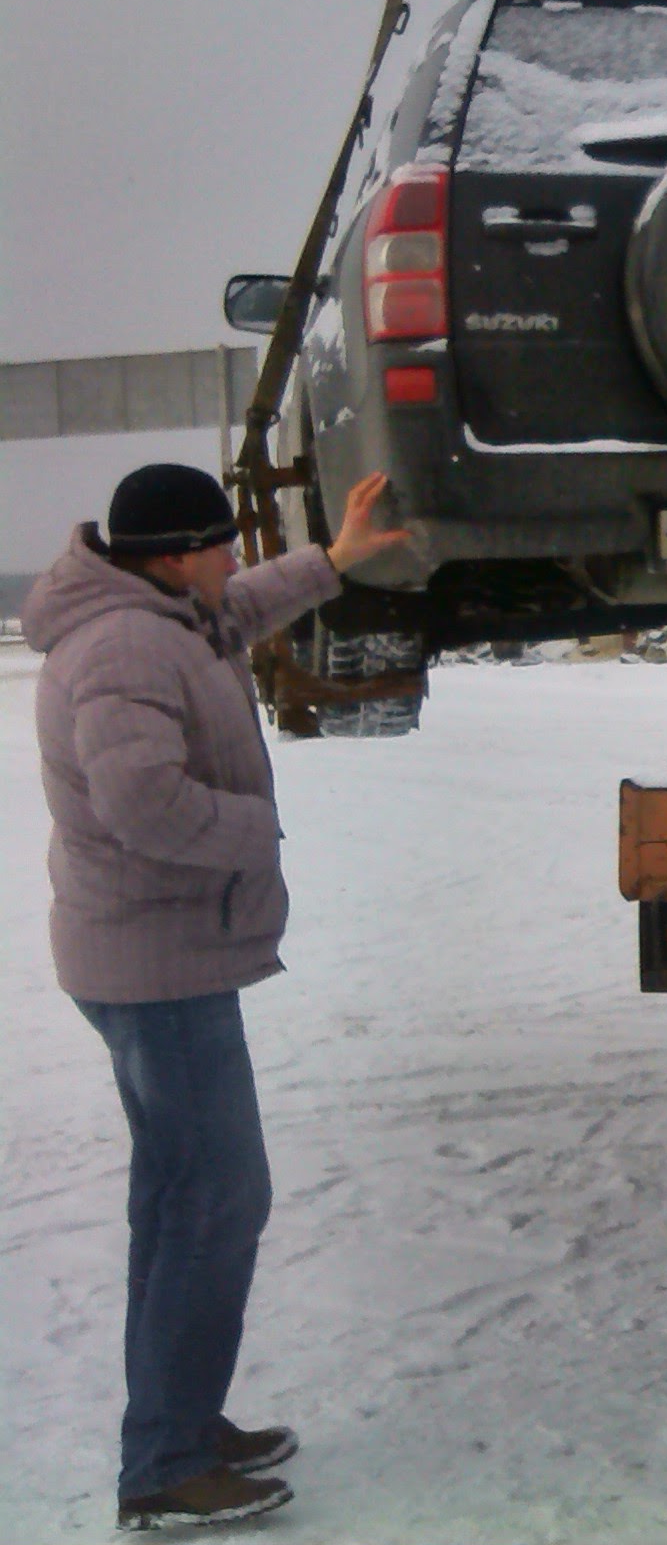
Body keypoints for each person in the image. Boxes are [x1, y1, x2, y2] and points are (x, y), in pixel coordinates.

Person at [24, 462, 407, 1531]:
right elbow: (143, 803)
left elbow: (237, 610)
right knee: (215, 1203)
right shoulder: (128, 646)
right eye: (224, 542)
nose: (236, 561)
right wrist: (254, 832)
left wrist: (333, 562)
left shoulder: (155, 612)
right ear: (180, 551)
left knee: (179, 1201)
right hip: (157, 966)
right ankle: (163, 1467)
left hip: (149, 957)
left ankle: (177, 1420)